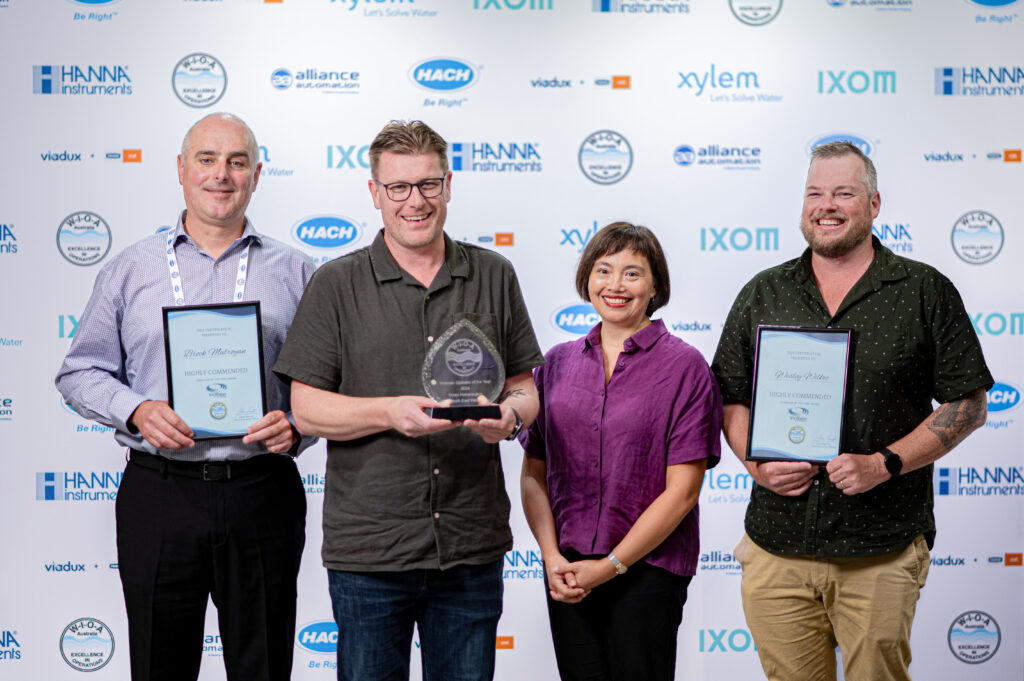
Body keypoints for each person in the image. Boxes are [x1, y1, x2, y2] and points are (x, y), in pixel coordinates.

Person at [273, 120, 544, 681]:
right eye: (398, 187)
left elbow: (525, 387)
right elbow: (306, 409)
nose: (414, 201)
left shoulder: (493, 273)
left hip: (470, 544)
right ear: (374, 194)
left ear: (448, 185)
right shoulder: (335, 284)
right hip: (371, 551)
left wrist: (511, 416)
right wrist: (386, 411)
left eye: (428, 185)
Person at [711, 141, 991, 681]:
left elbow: (969, 402)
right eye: (815, 193)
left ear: (875, 203)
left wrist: (884, 462)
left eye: (844, 192)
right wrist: (754, 464)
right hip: (778, 545)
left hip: (880, 547)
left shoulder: (924, 290)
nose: (827, 205)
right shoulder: (763, 292)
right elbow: (729, 395)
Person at [55, 113, 316, 681]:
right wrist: (136, 409)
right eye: (206, 159)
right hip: (160, 493)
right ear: (180, 169)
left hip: (261, 490)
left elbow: (332, 382)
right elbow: (78, 373)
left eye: (237, 161)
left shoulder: (299, 272)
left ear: (256, 175)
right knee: (158, 665)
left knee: (264, 666)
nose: (221, 174)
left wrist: (299, 424)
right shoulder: (128, 270)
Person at [519, 222, 722, 681]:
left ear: (655, 287)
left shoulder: (685, 367)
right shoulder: (555, 364)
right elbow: (534, 474)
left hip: (648, 573)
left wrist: (611, 566)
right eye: (604, 270)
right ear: (587, 279)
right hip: (567, 570)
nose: (615, 285)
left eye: (633, 273)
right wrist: (551, 557)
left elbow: (683, 491)